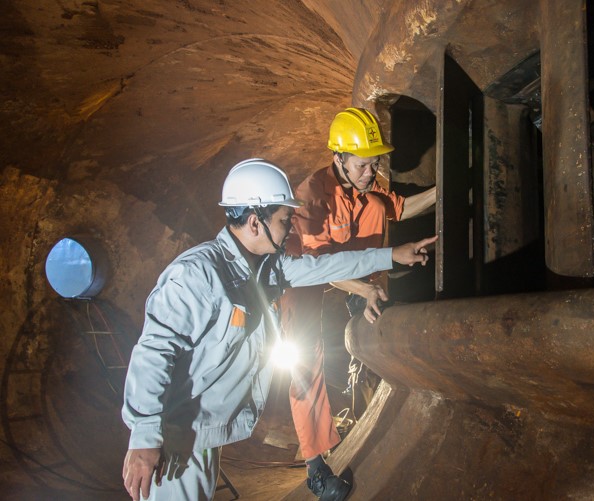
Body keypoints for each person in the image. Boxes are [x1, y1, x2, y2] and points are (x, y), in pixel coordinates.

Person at [121, 158, 437, 501]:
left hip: (203, 433)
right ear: (256, 222)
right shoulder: (197, 275)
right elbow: (154, 352)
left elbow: (324, 265)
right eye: (286, 219)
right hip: (176, 437)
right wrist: (145, 437)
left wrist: (392, 255)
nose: (291, 228)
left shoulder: (266, 269)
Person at [280, 108, 437, 495]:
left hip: (348, 266)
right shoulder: (312, 197)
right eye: (364, 166)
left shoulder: (366, 188)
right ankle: (316, 466)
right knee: (303, 357)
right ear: (339, 160)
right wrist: (363, 289)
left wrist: (443, 190)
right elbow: (317, 268)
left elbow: (399, 207)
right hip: (302, 275)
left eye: (375, 164)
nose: (371, 172)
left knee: (378, 208)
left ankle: (366, 298)